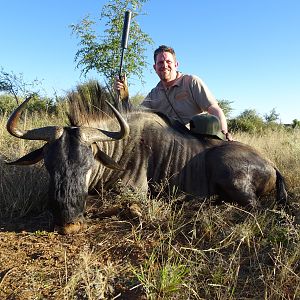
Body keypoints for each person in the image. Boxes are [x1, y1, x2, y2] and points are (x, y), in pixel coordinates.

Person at [116, 45, 233, 141]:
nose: (164, 65)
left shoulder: (191, 81)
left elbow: (213, 108)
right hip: (169, 145)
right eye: (160, 63)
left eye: (168, 61)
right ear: (155, 67)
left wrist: (224, 132)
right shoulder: (154, 93)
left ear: (176, 65)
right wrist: (124, 97)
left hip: (195, 143)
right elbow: (136, 116)